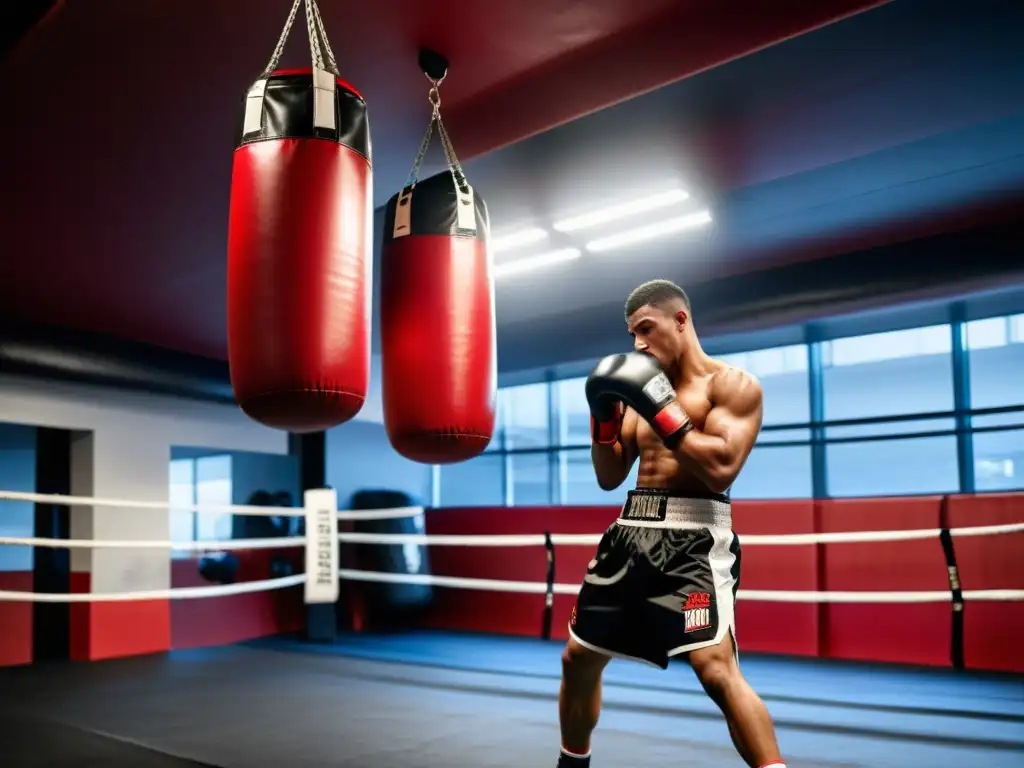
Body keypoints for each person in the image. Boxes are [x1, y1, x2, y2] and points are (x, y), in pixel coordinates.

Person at [556, 279, 786, 768]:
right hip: (630, 530)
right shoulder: (639, 392)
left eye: (646, 328)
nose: (637, 344)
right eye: (632, 334)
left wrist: (660, 408)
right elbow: (609, 476)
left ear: (680, 319)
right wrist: (602, 418)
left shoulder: (732, 386)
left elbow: (722, 466)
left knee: (715, 668)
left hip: (693, 538)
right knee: (578, 658)